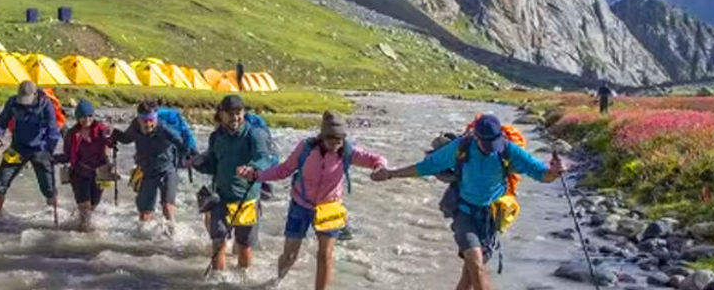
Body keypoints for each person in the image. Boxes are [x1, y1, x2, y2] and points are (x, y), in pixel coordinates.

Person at [372, 114, 564, 290]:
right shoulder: (461, 147)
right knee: (476, 266)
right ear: (475, 137)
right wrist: (390, 174)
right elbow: (427, 167)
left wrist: (554, 172)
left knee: (469, 276)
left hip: (491, 216)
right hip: (464, 212)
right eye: (486, 144)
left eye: (495, 143)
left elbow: (541, 173)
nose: (491, 149)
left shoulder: (508, 150)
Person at [238, 111, 387, 290]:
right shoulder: (306, 149)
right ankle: (277, 283)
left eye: (339, 139)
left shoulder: (348, 151)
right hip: (300, 204)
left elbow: (376, 159)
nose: (335, 144)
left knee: (325, 255)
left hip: (330, 207)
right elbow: (283, 170)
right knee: (290, 256)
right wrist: (257, 175)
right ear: (322, 136)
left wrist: (380, 167)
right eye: (331, 139)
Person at [191, 94, 272, 275]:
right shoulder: (215, 136)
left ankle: (242, 281)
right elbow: (213, 165)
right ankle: (217, 283)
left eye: (239, 113)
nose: (235, 117)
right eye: (231, 113)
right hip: (220, 197)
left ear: (244, 113)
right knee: (218, 241)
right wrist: (198, 163)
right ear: (221, 114)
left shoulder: (255, 135)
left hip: (247, 199)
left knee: (243, 246)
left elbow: (264, 159)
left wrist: (252, 168)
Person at [0, 80, 62, 215]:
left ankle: (54, 213)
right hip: (17, 147)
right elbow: (1, 122)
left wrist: (49, 151)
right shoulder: (13, 102)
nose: (24, 103)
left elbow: (53, 131)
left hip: (40, 149)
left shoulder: (46, 105)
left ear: (35, 94)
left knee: (49, 188)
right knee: (1, 184)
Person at [112, 100, 187, 227]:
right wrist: (112, 133)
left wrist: (188, 159)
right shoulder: (135, 127)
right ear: (139, 119)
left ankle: (172, 235)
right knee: (144, 214)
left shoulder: (164, 129)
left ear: (156, 118)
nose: (148, 124)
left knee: (167, 207)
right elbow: (126, 139)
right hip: (147, 172)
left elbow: (183, 144)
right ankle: (144, 241)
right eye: (144, 120)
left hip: (167, 171)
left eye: (151, 119)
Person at [57, 99, 113, 230]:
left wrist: (112, 137)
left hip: (99, 173)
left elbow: (111, 141)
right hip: (79, 172)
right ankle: (83, 232)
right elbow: (67, 155)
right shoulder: (71, 134)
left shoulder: (101, 130)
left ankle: (83, 226)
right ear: (77, 118)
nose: (87, 119)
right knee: (85, 208)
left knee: (93, 205)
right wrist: (52, 159)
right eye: (83, 117)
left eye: (89, 116)